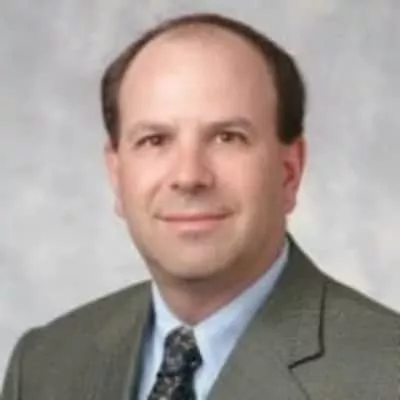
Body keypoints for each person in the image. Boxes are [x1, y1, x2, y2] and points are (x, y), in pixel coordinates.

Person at [2, 12, 399, 400]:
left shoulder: (387, 374)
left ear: (289, 172)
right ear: (117, 175)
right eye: (155, 140)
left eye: (228, 137)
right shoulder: (42, 365)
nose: (189, 176)